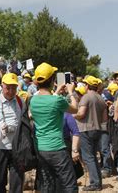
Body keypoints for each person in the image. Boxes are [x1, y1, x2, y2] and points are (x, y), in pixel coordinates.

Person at [29, 62, 79, 192]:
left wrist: (56, 91)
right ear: (52, 80)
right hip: (57, 148)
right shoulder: (57, 101)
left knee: (47, 183)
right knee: (69, 184)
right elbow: (75, 109)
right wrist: (70, 92)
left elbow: (48, 100)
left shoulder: (32, 101)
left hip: (41, 149)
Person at [74, 75, 107, 191]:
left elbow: (81, 113)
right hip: (98, 129)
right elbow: (104, 118)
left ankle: (94, 183)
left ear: (87, 85)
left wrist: (72, 115)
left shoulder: (86, 97)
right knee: (93, 156)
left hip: (86, 129)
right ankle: (98, 182)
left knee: (88, 158)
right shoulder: (100, 98)